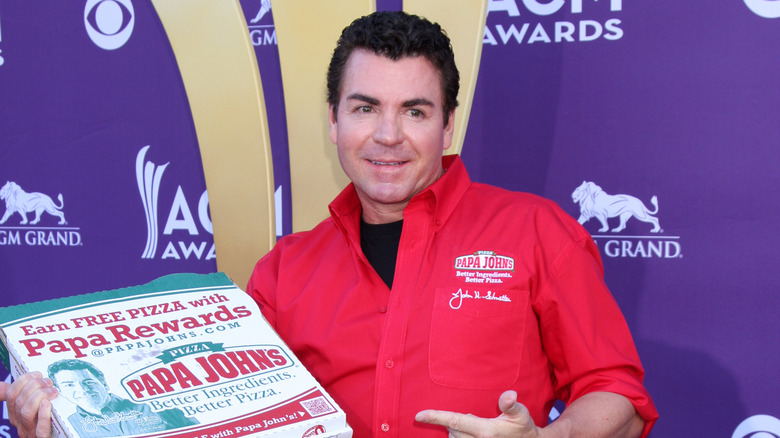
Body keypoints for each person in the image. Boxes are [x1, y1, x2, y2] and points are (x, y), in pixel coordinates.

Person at [1, 10, 658, 438]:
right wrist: (68, 425)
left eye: (416, 111)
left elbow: (618, 396)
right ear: (334, 119)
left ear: (448, 123)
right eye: (366, 107)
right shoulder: (284, 271)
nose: (389, 136)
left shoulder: (536, 230)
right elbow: (213, 420)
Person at [50, 359, 196, 437]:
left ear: (104, 384)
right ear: (61, 392)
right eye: (69, 385)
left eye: (88, 382)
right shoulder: (66, 425)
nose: (83, 390)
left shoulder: (157, 407)